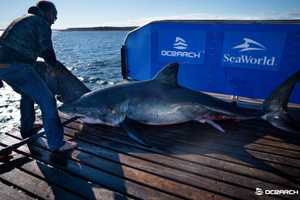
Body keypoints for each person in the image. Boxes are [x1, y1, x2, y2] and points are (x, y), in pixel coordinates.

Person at [0, 1, 77, 152]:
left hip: (3, 66)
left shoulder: (23, 19)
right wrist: (55, 70)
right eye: (54, 15)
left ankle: (27, 127)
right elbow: (47, 51)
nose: (55, 19)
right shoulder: (40, 22)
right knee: (47, 100)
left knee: (27, 94)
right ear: (47, 12)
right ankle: (57, 143)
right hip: (17, 66)